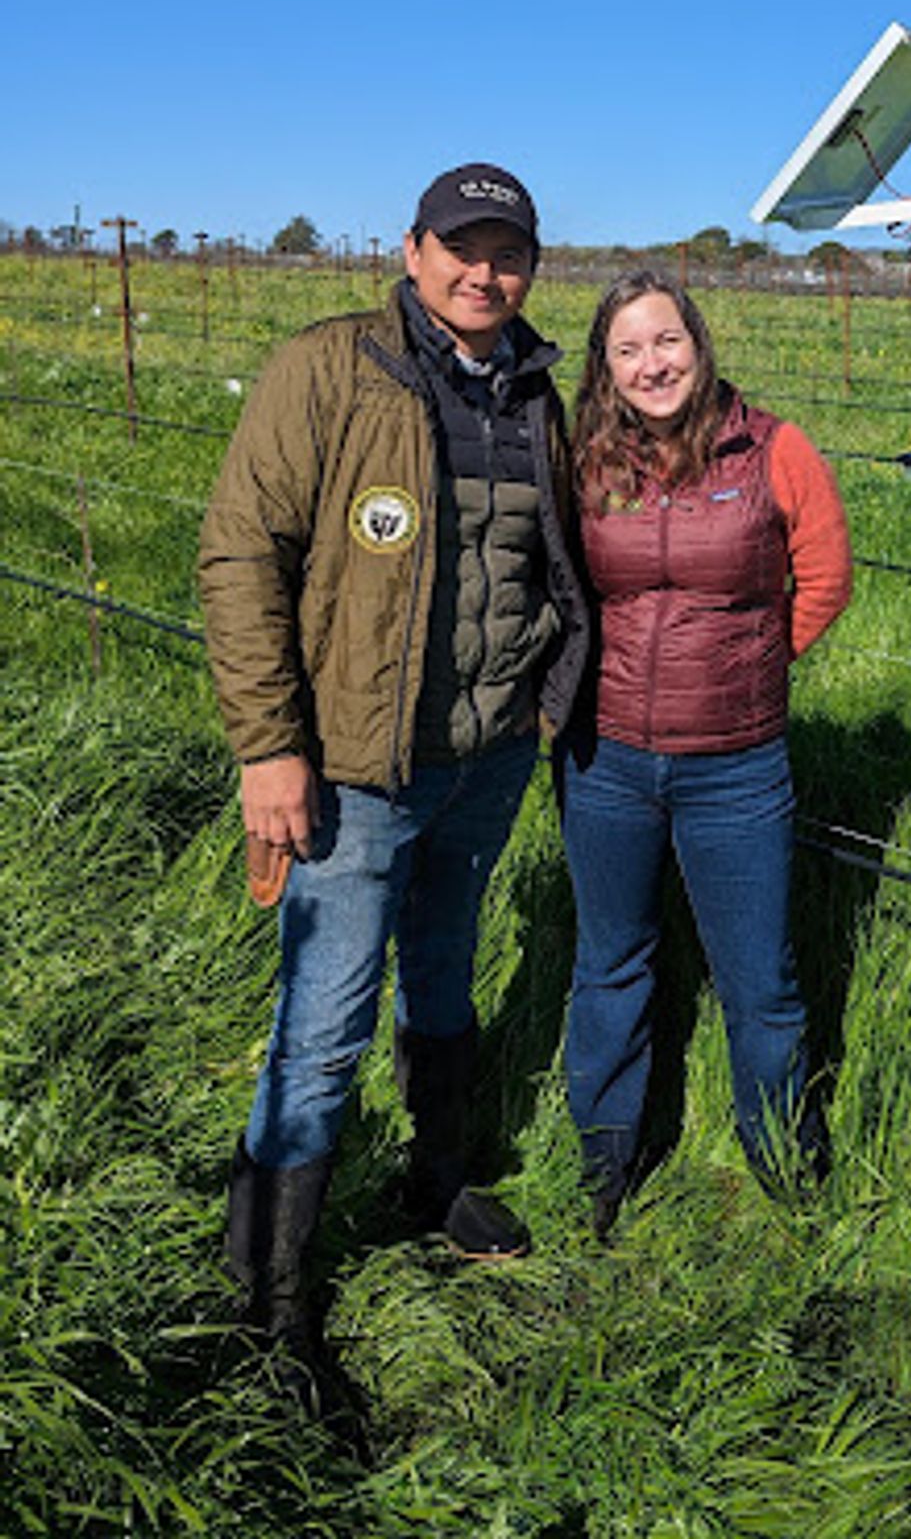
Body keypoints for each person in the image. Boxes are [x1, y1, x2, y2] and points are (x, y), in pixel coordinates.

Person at [198, 161, 590, 1362]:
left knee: (445, 969)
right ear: (411, 251)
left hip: (482, 759)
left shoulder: (534, 390)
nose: (485, 272)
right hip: (353, 769)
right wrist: (271, 746)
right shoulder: (330, 368)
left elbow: (544, 566)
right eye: (461, 247)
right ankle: (266, 1299)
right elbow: (238, 555)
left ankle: (436, 1179)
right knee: (324, 1021)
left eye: (507, 252)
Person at [559, 270, 851, 1233]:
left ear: (700, 343)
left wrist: (753, 667)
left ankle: (782, 1161)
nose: (653, 365)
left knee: (759, 981)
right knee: (611, 965)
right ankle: (605, 1157)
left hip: (737, 766)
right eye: (628, 350)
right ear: (606, 368)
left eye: (667, 341)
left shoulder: (773, 449)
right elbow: (559, 587)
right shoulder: (587, 460)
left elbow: (826, 577)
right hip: (605, 762)